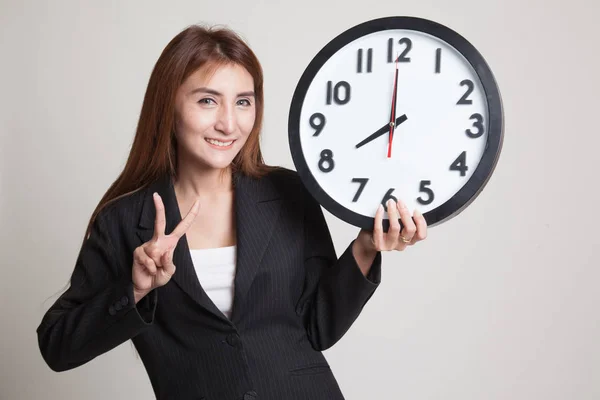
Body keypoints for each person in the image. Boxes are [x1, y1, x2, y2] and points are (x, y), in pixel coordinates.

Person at [36, 24, 428, 400]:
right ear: (168, 106)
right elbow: (57, 347)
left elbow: (319, 327)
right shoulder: (123, 220)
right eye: (207, 100)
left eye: (243, 102)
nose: (228, 123)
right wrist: (136, 288)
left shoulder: (288, 192)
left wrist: (365, 247)